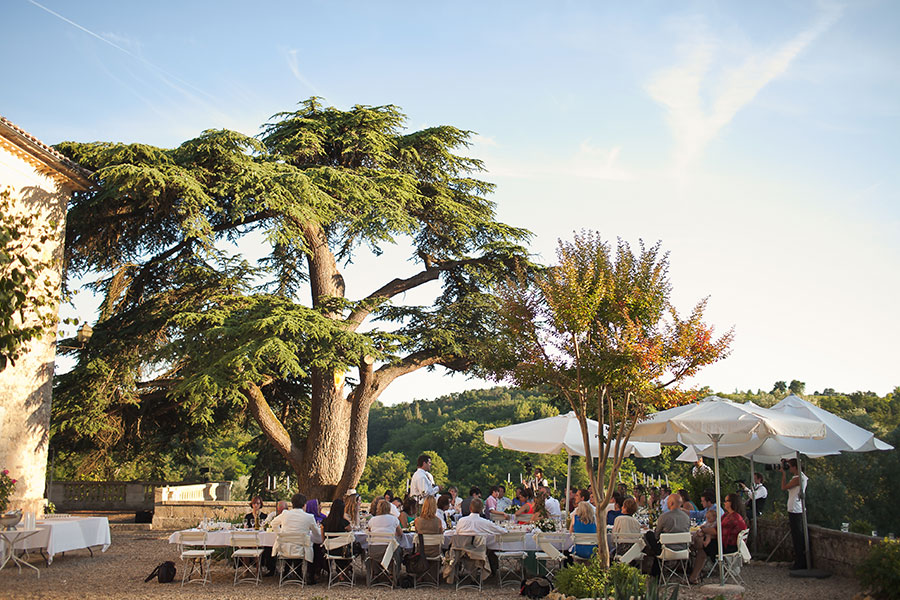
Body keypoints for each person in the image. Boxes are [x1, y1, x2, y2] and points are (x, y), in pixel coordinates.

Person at [689, 493, 747, 584]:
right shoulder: (728, 515)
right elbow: (717, 530)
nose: (724, 503)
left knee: (702, 548)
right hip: (725, 542)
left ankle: (694, 575)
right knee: (702, 543)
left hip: (728, 546)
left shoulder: (733, 518)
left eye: (726, 501)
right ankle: (695, 574)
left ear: (732, 503)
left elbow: (717, 531)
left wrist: (703, 531)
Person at [270, 492, 323, 581]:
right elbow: (317, 534)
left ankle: (288, 572)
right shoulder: (309, 517)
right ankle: (310, 576)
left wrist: (280, 533)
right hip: (301, 550)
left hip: (285, 549)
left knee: (298, 545)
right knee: (315, 547)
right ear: (304, 505)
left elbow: (273, 523)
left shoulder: (285, 514)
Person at [648, 492, 691, 577]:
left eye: (668, 502)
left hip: (667, 550)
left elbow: (656, 535)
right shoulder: (686, 517)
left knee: (649, 535)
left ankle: (654, 571)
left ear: (671, 503)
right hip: (683, 549)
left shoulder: (664, 517)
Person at [781, 458, 808, 570]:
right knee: (796, 536)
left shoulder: (798, 478)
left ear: (795, 467)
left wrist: (783, 474)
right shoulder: (799, 477)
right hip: (795, 508)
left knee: (798, 537)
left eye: (790, 466)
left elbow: (784, 487)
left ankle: (800, 562)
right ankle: (799, 560)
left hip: (796, 509)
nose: (789, 468)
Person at [320, 498, 353, 581]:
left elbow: (323, 539)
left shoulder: (325, 522)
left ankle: (340, 571)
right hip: (342, 551)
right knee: (355, 548)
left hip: (329, 550)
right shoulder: (345, 523)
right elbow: (351, 534)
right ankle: (343, 570)